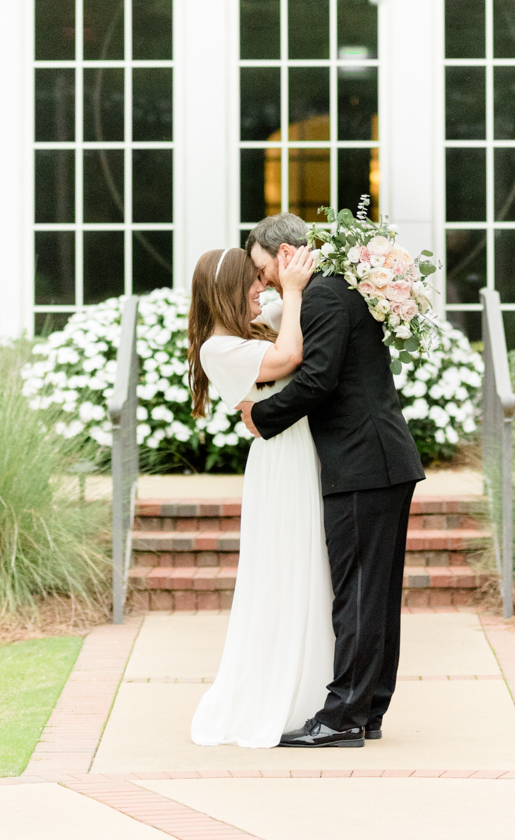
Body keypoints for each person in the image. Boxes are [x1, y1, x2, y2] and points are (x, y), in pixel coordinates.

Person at [241, 212, 424, 752]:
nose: (264, 281)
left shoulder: (322, 297)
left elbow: (317, 380)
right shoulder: (340, 289)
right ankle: (368, 709)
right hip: (380, 461)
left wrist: (262, 415)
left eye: (262, 268)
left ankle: (343, 715)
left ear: (286, 254)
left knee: (359, 595)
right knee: (376, 595)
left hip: (364, 462)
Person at [187, 240, 332, 748]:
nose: (261, 285)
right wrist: (290, 292)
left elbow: (299, 301)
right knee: (285, 571)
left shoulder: (257, 322)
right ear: (228, 288)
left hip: (303, 456)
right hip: (280, 468)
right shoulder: (217, 347)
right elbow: (290, 354)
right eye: (252, 279)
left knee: (312, 570)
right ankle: (280, 696)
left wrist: (293, 276)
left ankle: (318, 691)